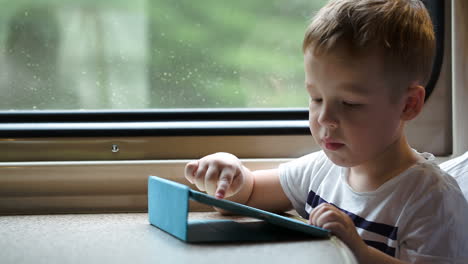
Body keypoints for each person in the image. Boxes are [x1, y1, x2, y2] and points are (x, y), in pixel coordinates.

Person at [185, 0, 468, 263]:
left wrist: (357, 252)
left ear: (408, 105)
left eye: (350, 103)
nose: (325, 118)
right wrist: (230, 176)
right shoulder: (320, 170)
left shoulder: (431, 199)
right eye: (316, 98)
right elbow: (249, 195)